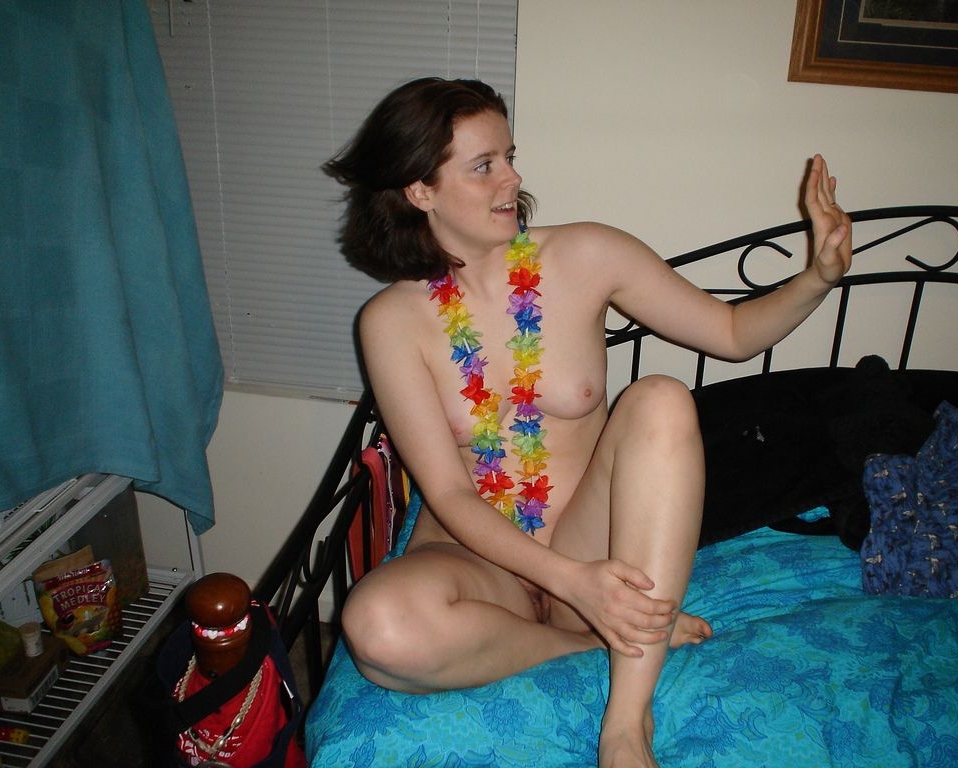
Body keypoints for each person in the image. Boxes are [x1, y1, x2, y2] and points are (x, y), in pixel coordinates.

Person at [326, 77, 851, 768]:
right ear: (420, 190)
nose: (513, 179)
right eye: (484, 166)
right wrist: (572, 589)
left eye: (510, 156)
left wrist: (817, 277)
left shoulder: (586, 255)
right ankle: (591, 643)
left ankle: (626, 725)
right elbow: (449, 494)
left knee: (661, 397)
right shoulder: (391, 322)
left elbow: (730, 332)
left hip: (589, 543)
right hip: (477, 560)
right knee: (377, 629)